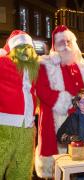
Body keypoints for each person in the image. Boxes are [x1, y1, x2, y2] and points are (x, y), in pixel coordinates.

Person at [35, 25, 84, 178]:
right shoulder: (45, 64)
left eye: (68, 42)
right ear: (55, 45)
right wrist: (66, 102)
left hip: (78, 118)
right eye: (61, 42)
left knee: (78, 159)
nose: (65, 46)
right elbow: (41, 89)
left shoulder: (81, 66)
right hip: (55, 117)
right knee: (56, 160)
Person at [0, 30, 39, 180]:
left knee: (21, 168)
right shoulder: (4, 63)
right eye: (20, 46)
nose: (25, 50)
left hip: (27, 127)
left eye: (28, 47)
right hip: (5, 125)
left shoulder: (34, 69)